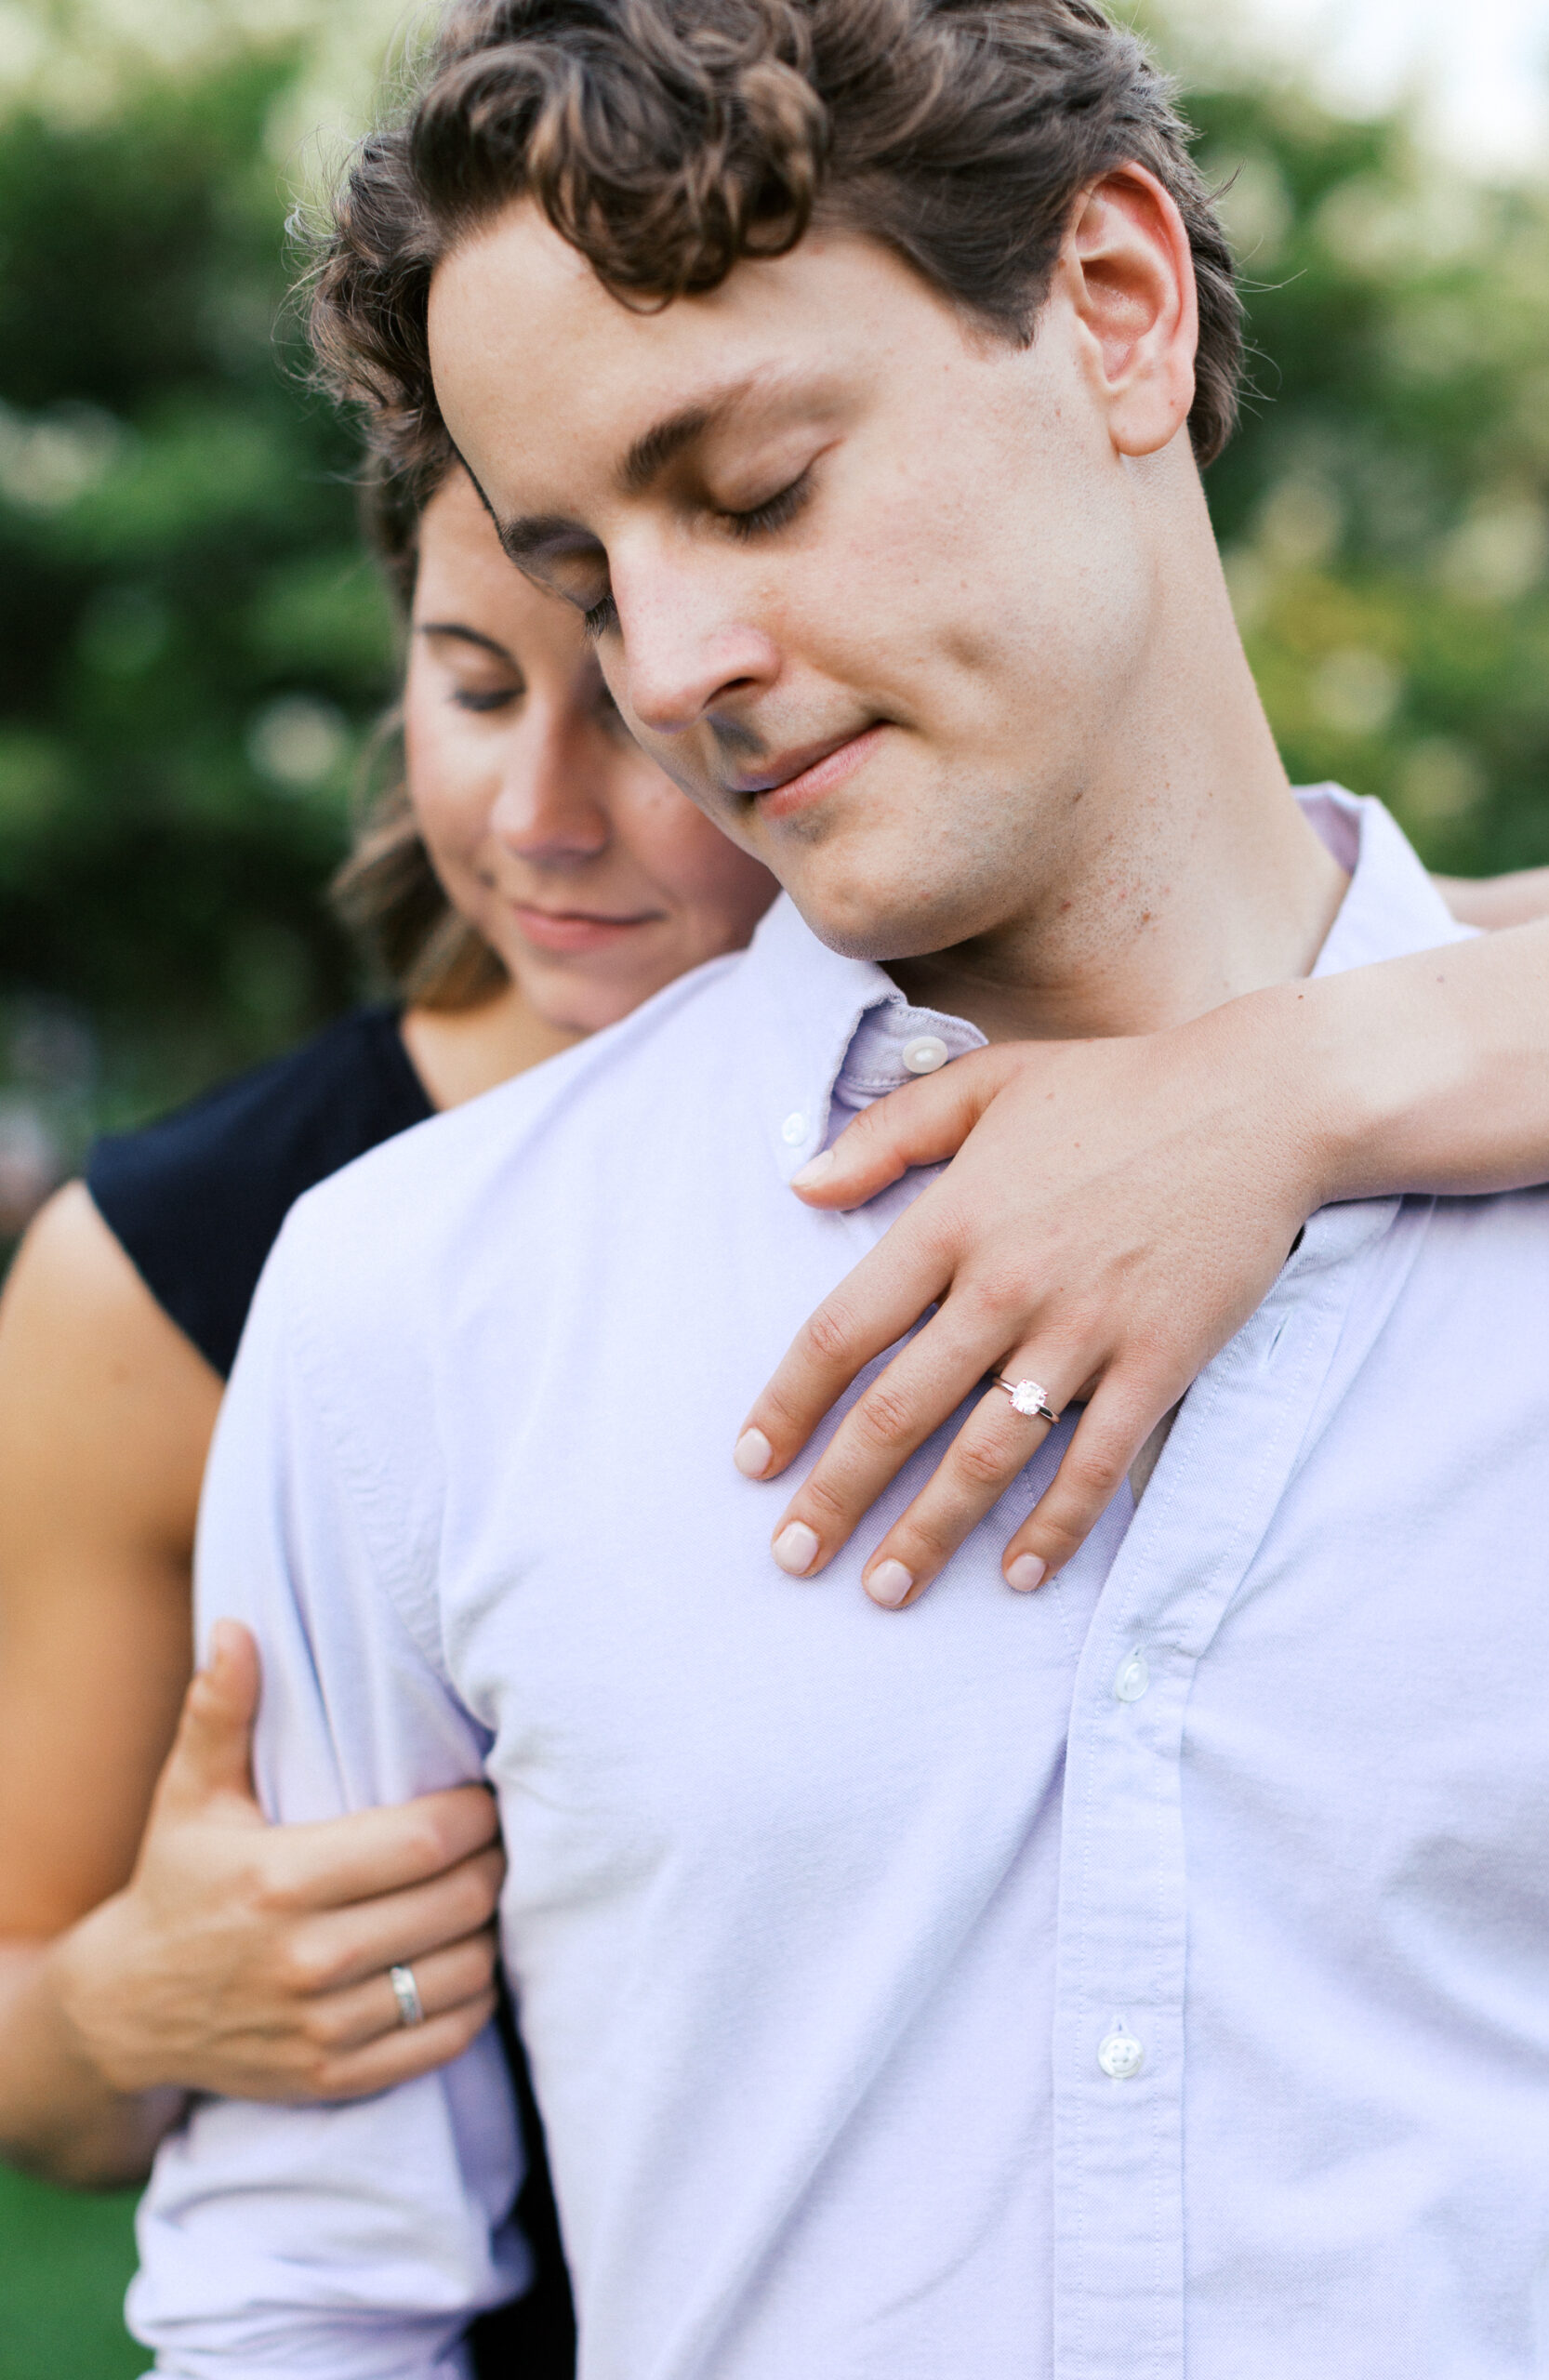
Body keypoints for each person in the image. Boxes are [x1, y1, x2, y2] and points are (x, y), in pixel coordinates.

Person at [125, 1, 1549, 2375]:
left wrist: (1301, 1087)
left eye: (760, 483)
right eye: (585, 570)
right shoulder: (418, 1301)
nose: (676, 667)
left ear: (1113, 308)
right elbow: (308, 2302)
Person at [0, 456, 774, 2365]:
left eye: (636, 707)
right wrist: (132, 2004)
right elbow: (31, 2042)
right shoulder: (161, 1274)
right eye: (474, 684)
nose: (538, 816)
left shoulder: (1072, 1125)